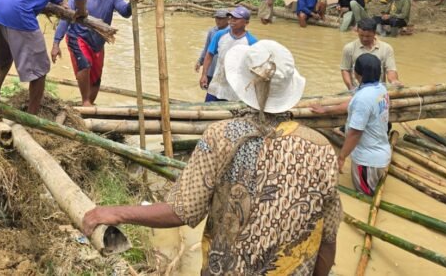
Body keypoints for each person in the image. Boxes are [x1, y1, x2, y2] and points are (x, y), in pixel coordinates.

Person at [83, 40, 340, 276]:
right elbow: (328, 238)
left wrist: (116, 213)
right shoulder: (322, 148)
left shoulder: (221, 135)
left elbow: (182, 211)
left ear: (243, 83)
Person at [51, 0, 138, 106]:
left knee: (96, 77)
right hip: (78, 36)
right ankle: (85, 101)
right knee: (84, 65)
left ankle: (89, 103)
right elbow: (66, 18)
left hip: (98, 41)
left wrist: (131, 3)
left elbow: (125, 13)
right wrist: (56, 43)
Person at [313, 54, 391, 196]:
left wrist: (342, 156)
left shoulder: (363, 98)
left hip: (368, 162)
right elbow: (351, 103)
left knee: (364, 197)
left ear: (356, 73)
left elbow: (355, 133)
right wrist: (326, 110)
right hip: (380, 153)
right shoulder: (379, 88)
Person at [199, 6, 258, 102]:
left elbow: (255, 67)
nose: (232, 21)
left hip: (235, 89)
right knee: (208, 109)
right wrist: (204, 74)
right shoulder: (220, 35)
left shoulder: (251, 42)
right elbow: (209, 55)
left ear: (246, 23)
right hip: (216, 85)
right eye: (231, 17)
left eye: (237, 18)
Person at [340, 18, 402, 90]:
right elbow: (345, 69)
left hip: (378, 90)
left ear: (375, 33)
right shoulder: (349, 48)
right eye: (361, 35)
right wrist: (350, 87)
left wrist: (394, 81)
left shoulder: (386, 48)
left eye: (368, 36)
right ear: (357, 31)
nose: (364, 39)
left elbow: (391, 70)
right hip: (357, 89)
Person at [194, 9, 229, 87]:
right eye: (217, 18)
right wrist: (200, 61)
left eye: (221, 18)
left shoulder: (231, 32)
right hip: (211, 68)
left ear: (228, 19)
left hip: (223, 69)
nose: (218, 21)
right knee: (209, 90)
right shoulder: (212, 31)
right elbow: (207, 48)